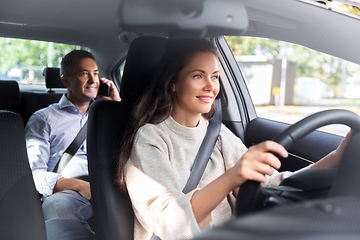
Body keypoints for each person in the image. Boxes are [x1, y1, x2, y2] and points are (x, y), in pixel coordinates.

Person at [114, 38, 352, 240]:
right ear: (173, 82)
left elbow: (271, 184)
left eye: (215, 77)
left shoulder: (217, 134)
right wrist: (232, 177)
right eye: (198, 76)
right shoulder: (150, 139)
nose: (211, 86)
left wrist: (334, 158)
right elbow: (169, 222)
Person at [25, 50, 121, 239]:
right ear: (66, 80)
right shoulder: (44, 118)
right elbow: (33, 175)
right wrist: (79, 186)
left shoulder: (110, 114)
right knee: (57, 207)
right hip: (69, 192)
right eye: (84, 73)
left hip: (113, 186)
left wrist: (116, 106)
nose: (93, 80)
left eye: (95, 73)